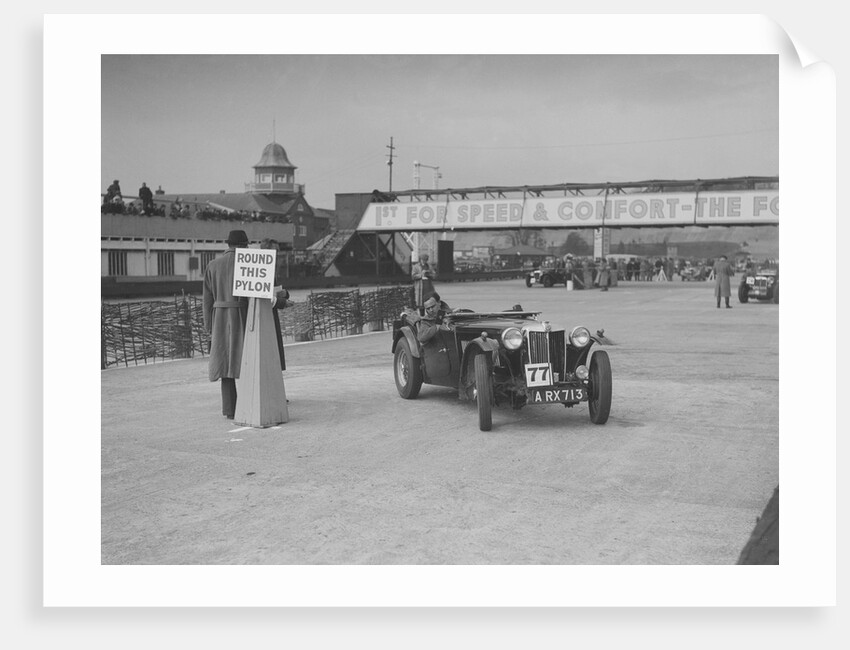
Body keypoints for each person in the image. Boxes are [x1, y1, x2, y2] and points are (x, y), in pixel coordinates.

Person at [202, 230, 250, 419]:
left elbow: (206, 301)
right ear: (245, 245)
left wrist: (209, 328)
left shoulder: (213, 265)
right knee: (248, 361)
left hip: (220, 318)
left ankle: (229, 410)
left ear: (228, 245)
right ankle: (249, 405)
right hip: (243, 316)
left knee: (225, 364)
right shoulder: (249, 264)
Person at [260, 238, 292, 373]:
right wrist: (282, 302)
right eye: (275, 251)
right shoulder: (262, 269)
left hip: (270, 316)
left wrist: (284, 293)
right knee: (270, 353)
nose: (277, 255)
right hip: (264, 318)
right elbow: (261, 296)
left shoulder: (270, 268)